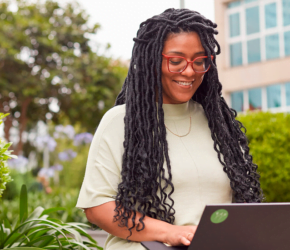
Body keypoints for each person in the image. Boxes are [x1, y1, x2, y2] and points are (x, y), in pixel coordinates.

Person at [76, 8, 263, 250]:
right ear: (152, 60)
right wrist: (172, 233)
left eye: (199, 61)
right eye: (176, 61)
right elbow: (98, 208)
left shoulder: (219, 124)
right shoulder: (119, 122)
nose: (189, 71)